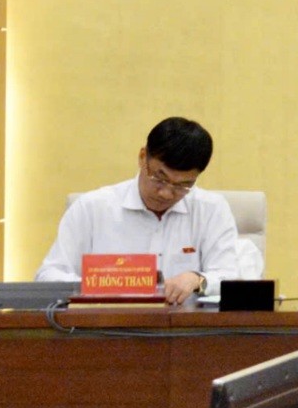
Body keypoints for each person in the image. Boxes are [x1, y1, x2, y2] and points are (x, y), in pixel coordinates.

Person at [36, 116, 241, 303]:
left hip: (185, 327)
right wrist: (98, 284)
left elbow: (232, 278)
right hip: (106, 325)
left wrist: (197, 280)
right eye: (159, 178)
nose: (166, 194)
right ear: (143, 157)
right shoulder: (92, 208)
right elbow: (47, 277)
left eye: (183, 185)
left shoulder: (211, 210)